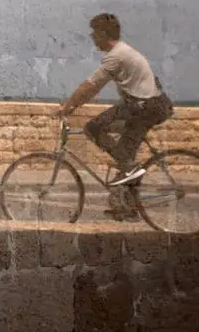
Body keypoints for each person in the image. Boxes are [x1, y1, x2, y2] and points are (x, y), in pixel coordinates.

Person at [58, 13, 174, 211]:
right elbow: (94, 89)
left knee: (93, 127)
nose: (92, 37)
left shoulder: (116, 56)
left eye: (94, 33)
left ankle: (129, 168)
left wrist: (68, 106)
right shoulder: (124, 51)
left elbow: (91, 86)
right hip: (152, 106)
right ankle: (127, 208)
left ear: (103, 34)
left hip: (143, 107)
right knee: (125, 157)